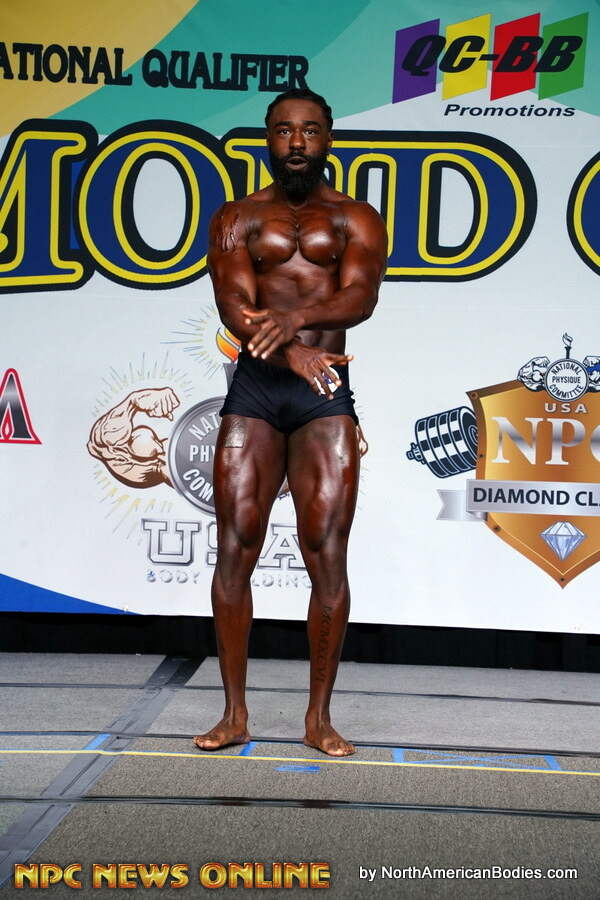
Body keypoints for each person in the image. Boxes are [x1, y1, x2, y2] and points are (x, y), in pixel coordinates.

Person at [193, 87, 388, 756]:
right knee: (236, 544)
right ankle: (234, 714)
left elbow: (360, 297)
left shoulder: (356, 218)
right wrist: (292, 351)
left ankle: (319, 719)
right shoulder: (236, 218)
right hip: (257, 390)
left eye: (308, 130)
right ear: (268, 139)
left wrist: (300, 323)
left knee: (325, 548)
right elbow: (232, 304)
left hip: (323, 396)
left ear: (328, 138)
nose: (296, 141)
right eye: (283, 130)